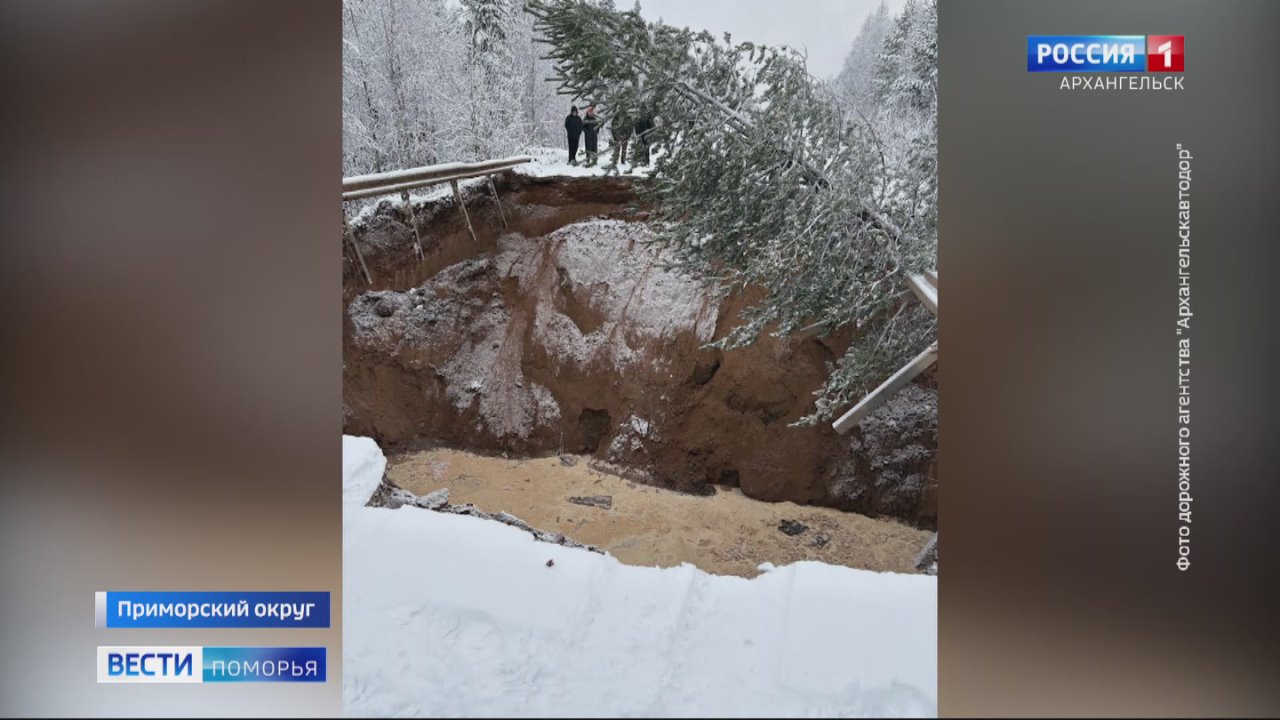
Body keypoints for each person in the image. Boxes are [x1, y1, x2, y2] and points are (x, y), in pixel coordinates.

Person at [605, 108, 632, 174]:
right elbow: (613, 127)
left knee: (624, 149)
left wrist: (628, 135)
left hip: (625, 135)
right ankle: (615, 160)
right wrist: (615, 136)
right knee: (617, 149)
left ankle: (623, 160)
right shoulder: (616, 117)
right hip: (617, 135)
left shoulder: (628, 117)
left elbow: (631, 127)